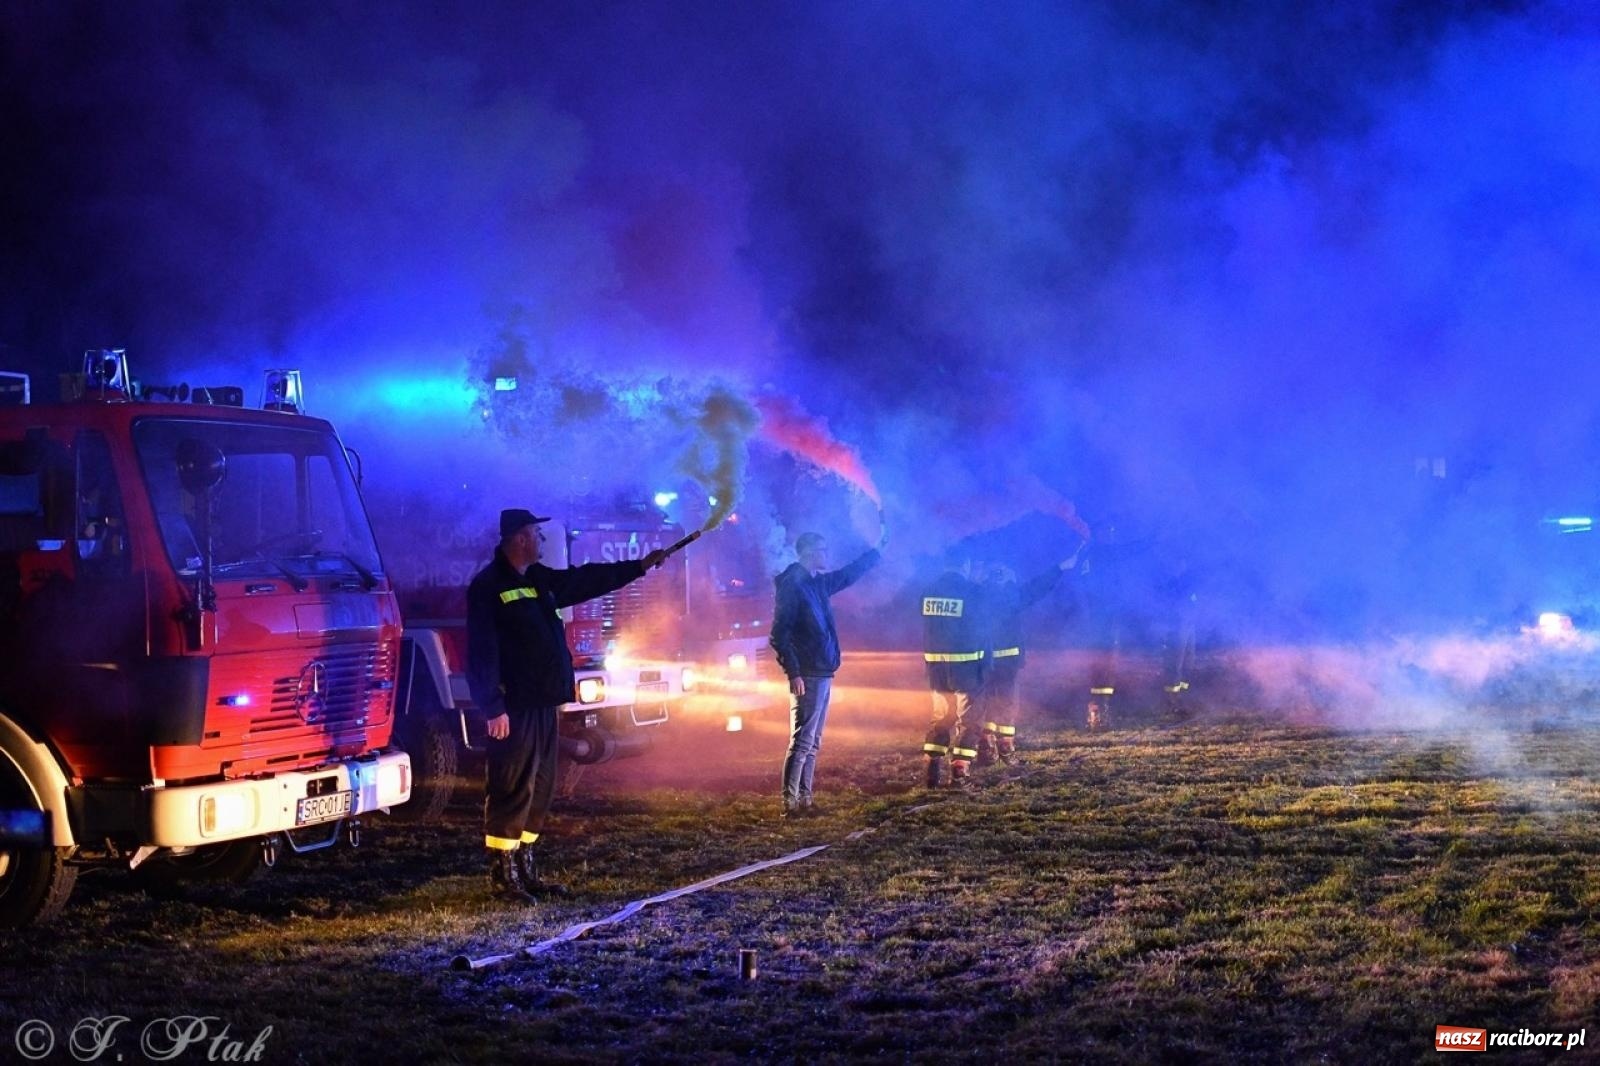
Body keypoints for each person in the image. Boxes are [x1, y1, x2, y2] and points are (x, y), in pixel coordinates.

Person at [467, 507, 668, 903]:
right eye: (537, 535)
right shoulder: (488, 586)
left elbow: (586, 579)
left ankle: (526, 870)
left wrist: (639, 567)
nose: (542, 541)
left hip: (544, 704)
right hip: (515, 707)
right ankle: (503, 878)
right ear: (520, 539)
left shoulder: (538, 579)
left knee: (540, 788)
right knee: (512, 786)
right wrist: (492, 707)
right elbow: (481, 652)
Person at [769, 523, 884, 818]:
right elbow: (779, 634)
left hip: (821, 671)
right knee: (802, 740)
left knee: (813, 741)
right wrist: (793, 672)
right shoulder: (793, 585)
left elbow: (847, 575)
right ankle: (790, 804)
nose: (827, 554)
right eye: (822, 549)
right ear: (809, 552)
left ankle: (805, 800)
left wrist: (875, 553)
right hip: (808, 673)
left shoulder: (815, 583)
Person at [975, 545, 1083, 767]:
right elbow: (1036, 588)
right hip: (1007, 661)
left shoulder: (976, 596)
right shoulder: (1011, 596)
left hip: (981, 660)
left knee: (986, 702)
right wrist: (1060, 568)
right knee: (1006, 703)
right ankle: (1005, 749)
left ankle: (985, 747)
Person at [921, 545, 989, 788]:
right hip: (967, 667)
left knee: (941, 717)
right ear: (966, 565)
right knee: (970, 719)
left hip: (936, 668)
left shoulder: (928, 590)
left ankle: (931, 769)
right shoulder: (972, 590)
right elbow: (984, 625)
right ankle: (959, 773)